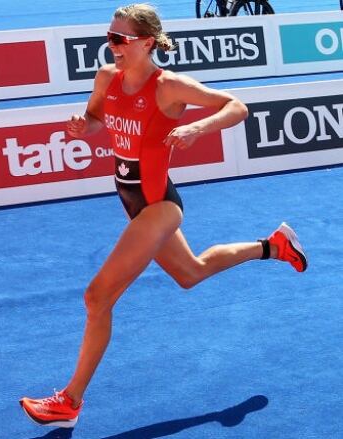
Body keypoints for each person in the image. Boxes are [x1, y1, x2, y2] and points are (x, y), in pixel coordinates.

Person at [19, 3, 307, 428]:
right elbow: (98, 118)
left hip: (160, 206)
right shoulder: (106, 77)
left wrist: (195, 128)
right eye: (110, 37)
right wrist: (85, 126)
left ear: (147, 42)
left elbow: (236, 106)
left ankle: (70, 401)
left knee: (97, 297)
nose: (112, 45)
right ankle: (273, 246)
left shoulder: (168, 86)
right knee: (190, 272)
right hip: (131, 200)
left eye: (121, 39)